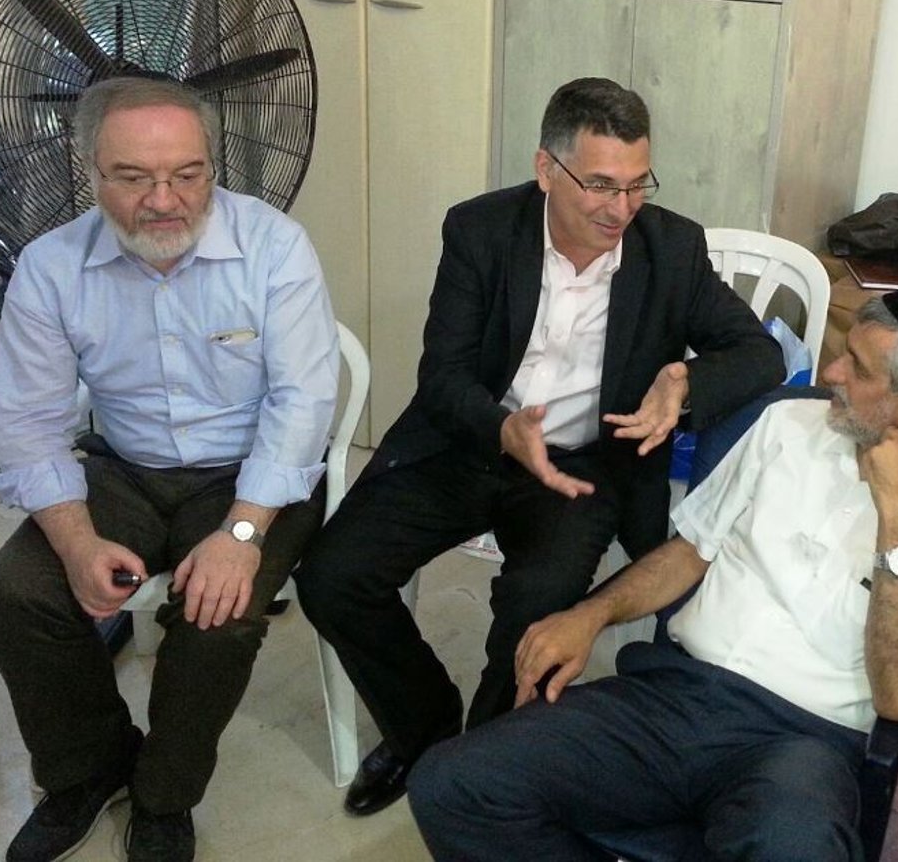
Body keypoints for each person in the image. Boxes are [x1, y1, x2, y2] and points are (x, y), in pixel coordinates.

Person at [295, 77, 785, 817]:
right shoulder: (481, 231)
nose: (621, 208)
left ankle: (482, 760)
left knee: (539, 605)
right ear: (546, 170)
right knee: (333, 575)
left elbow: (758, 354)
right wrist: (502, 428)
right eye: (600, 184)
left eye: (637, 184)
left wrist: (683, 381)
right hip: (471, 442)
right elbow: (444, 375)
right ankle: (425, 726)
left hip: (582, 467)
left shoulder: (672, 247)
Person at [410, 288, 898, 862]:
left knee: (795, 849)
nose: (832, 373)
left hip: (801, 745)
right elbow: (690, 551)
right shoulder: (787, 426)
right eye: (843, 353)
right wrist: (588, 614)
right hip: (672, 696)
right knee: (454, 783)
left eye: (858, 368)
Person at [0, 76, 339, 862]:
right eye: (134, 178)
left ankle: (165, 797)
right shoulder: (52, 266)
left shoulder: (274, 246)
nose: (164, 201)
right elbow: (27, 421)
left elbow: (303, 402)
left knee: (219, 618)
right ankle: (91, 767)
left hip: (250, 475)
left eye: (187, 174)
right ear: (92, 173)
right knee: (13, 594)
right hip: (125, 467)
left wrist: (241, 534)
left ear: (213, 165)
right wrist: (76, 543)